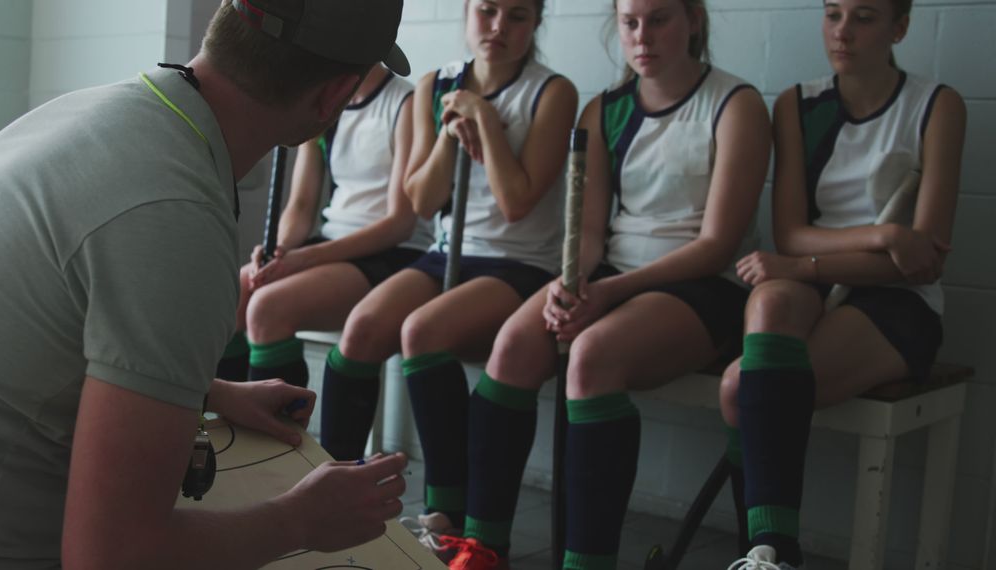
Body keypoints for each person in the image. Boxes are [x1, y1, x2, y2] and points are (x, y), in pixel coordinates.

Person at [0, 0, 414, 567]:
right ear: (334, 97)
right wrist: (300, 519)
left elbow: (39, 339)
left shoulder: (98, 113)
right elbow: (113, 556)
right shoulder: (177, 219)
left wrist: (204, 392)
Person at [443, 0, 773, 568]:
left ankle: (587, 560)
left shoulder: (736, 104)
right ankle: (482, 546)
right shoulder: (604, 110)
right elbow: (590, 233)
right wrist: (569, 283)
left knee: (591, 355)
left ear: (693, 19)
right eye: (629, 22)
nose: (642, 36)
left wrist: (606, 294)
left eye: (660, 19)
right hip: (611, 277)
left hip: (702, 285)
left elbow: (717, 244)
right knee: (514, 343)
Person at [319, 0, 577, 545]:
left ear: (536, 24)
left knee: (420, 332)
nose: (499, 28)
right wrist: (446, 132)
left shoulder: (553, 92)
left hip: (520, 261)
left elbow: (516, 204)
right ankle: (328, 487)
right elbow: (421, 197)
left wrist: (485, 120)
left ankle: (446, 511)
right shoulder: (435, 85)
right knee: (363, 327)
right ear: (467, 14)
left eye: (518, 16)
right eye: (487, 11)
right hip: (446, 251)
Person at [718, 0, 966, 568]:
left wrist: (813, 262)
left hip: (898, 301)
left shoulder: (938, 106)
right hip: (815, 280)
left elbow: (923, 262)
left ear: (899, 27)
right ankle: (767, 552)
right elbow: (790, 232)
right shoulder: (797, 105)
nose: (843, 32)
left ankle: (767, 553)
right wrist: (883, 236)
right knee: (770, 300)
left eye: (865, 17)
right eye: (833, 14)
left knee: (739, 390)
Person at [215, 61, 432, 388]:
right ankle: (226, 431)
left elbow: (400, 223)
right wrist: (279, 247)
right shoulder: (325, 104)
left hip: (392, 252)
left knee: (268, 308)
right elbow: (301, 206)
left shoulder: (407, 102)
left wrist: (305, 258)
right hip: (330, 245)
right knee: (230, 296)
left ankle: (279, 437)